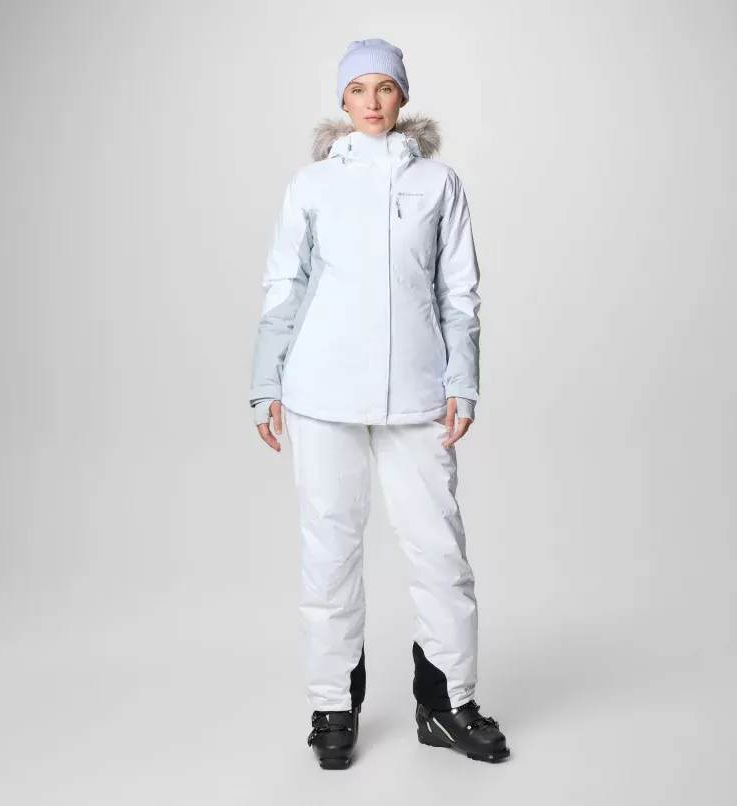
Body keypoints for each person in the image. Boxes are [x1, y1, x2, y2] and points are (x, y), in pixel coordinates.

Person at [248, 38, 510, 769]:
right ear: (342, 100)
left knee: (440, 552)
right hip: (320, 394)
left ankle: (447, 704)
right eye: (358, 89)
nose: (372, 101)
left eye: (384, 88)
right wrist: (267, 384)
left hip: (418, 395)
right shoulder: (311, 185)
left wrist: (462, 382)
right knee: (329, 552)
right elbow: (284, 286)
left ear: (402, 97)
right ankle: (333, 704)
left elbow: (459, 291)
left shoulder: (438, 183)